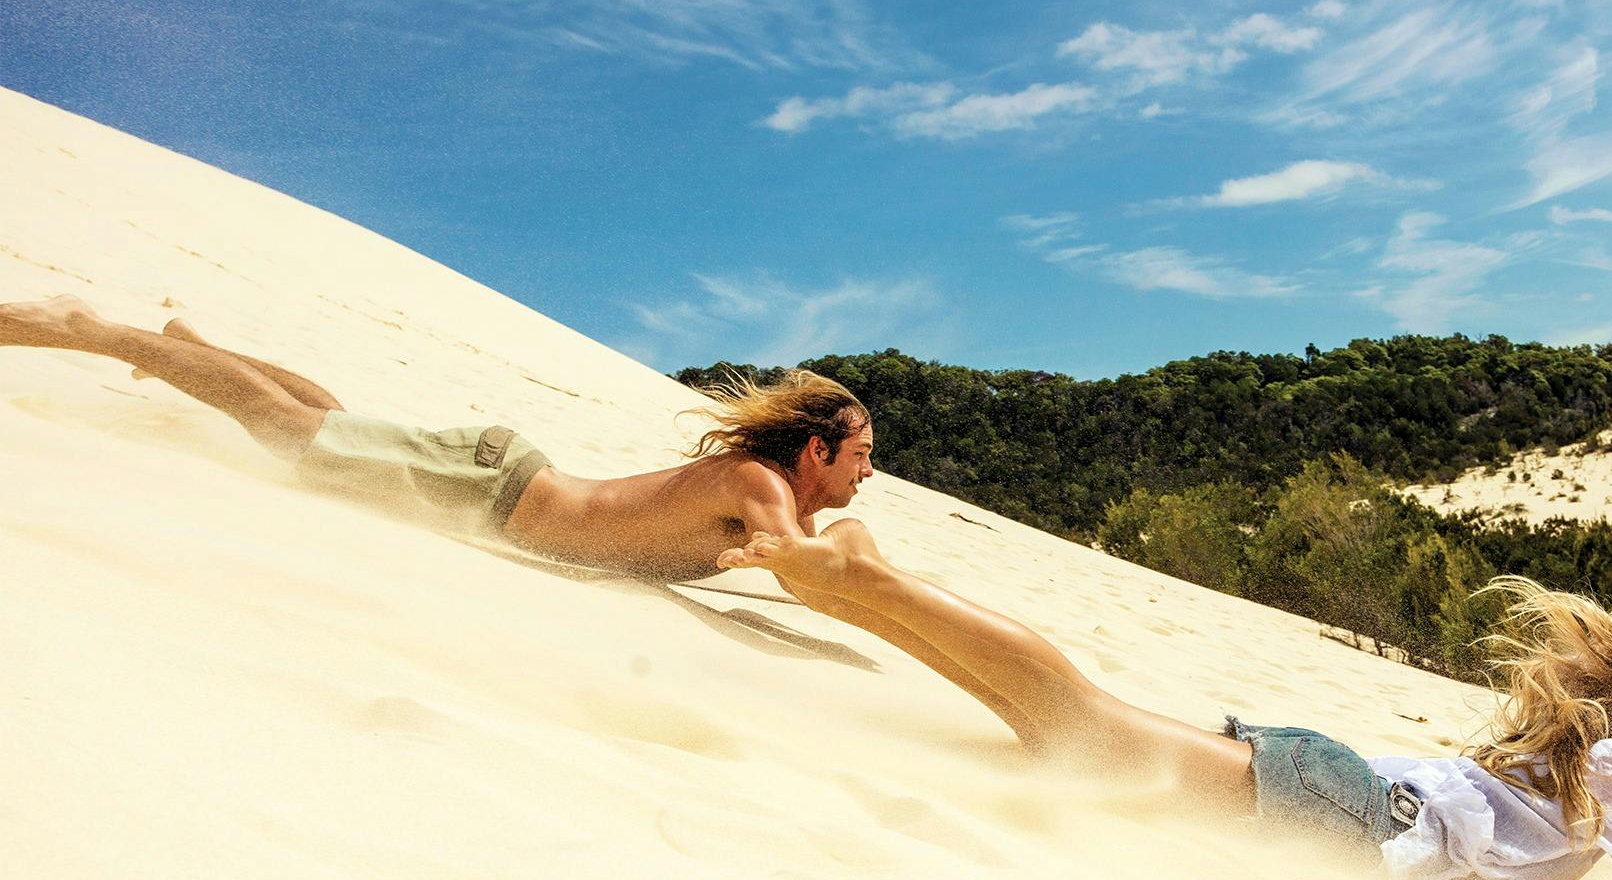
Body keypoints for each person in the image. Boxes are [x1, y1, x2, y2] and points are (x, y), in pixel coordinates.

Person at [719, 525, 1612, 880]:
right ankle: (872, 581)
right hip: (1340, 810)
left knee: (1054, 734)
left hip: (1337, 793)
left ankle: (861, 594)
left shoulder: (1577, 778)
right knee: (1075, 720)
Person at [0, 293, 1033, 734]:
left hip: (496, 483)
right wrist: (860, 552)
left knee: (321, 422)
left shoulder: (761, 488)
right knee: (289, 432)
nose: (864, 478)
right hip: (491, 495)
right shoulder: (765, 490)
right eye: (860, 459)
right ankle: (99, 333)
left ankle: (193, 343)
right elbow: (812, 570)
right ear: (815, 450)